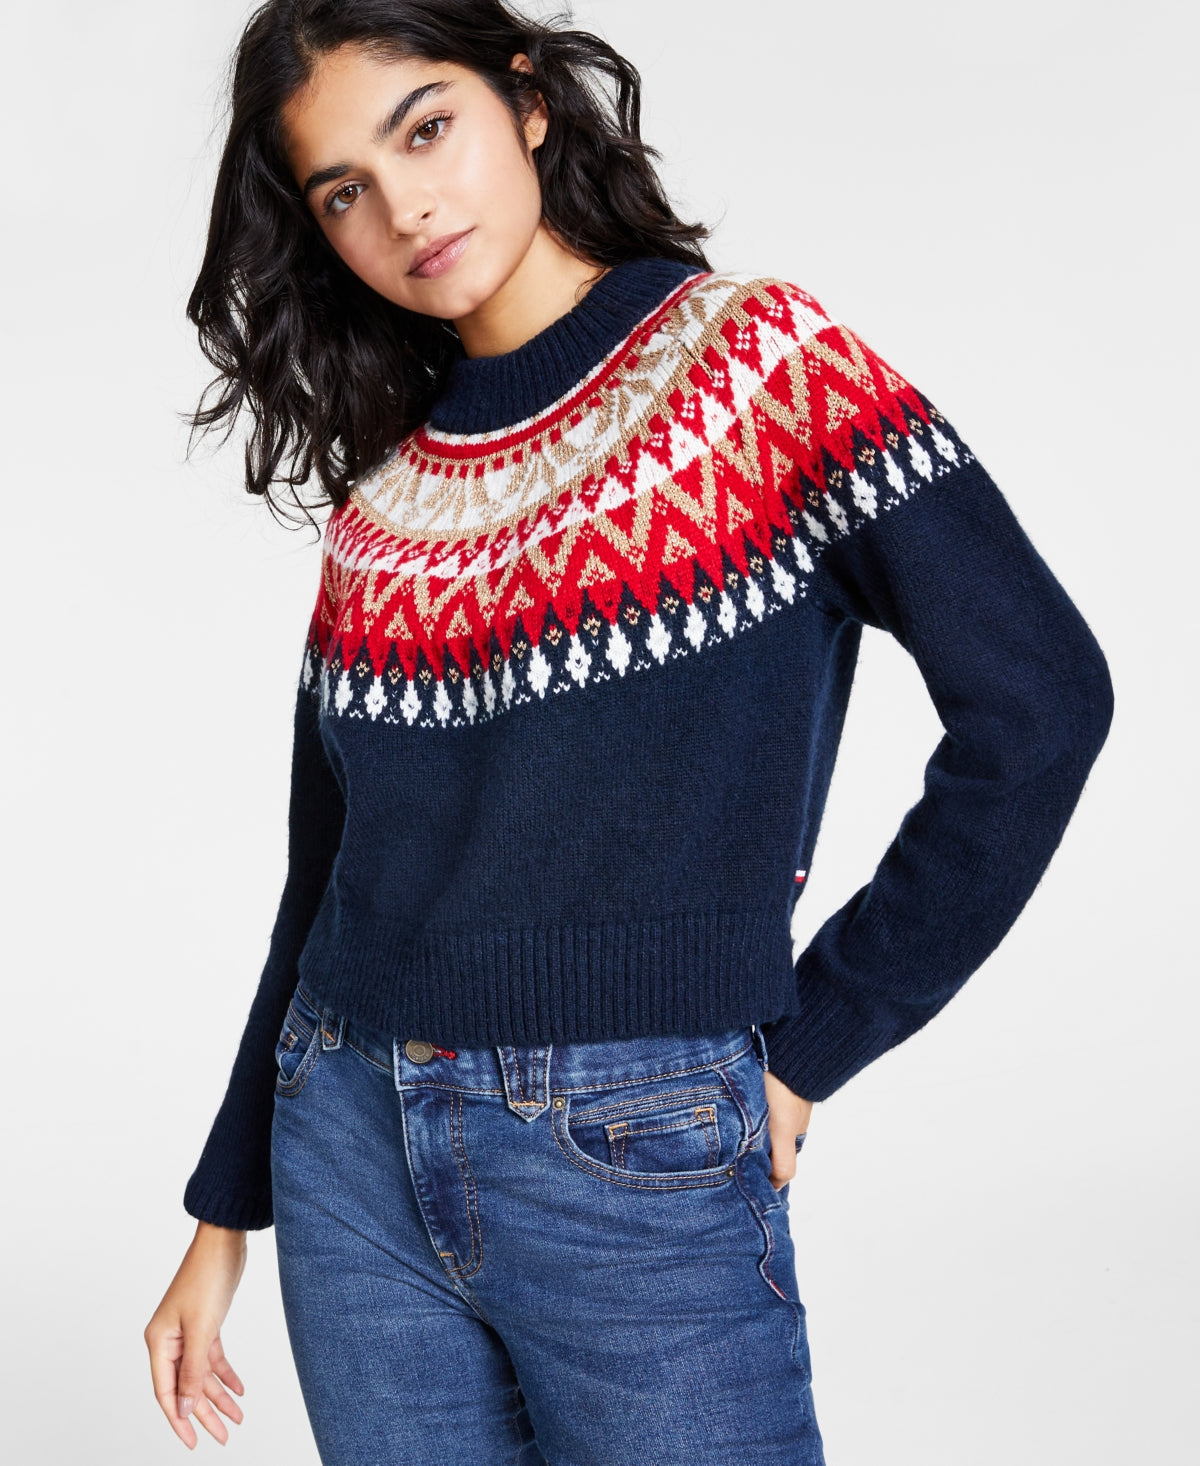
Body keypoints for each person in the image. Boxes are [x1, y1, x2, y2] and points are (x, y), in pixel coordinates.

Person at [143, 2, 1115, 1461]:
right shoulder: (384, 501)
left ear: (527, 100)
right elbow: (324, 876)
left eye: (427, 129)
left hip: (631, 1138)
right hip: (344, 1148)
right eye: (344, 190)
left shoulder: (758, 366)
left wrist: (814, 1041)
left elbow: (1042, 704)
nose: (405, 208)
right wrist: (225, 1210)